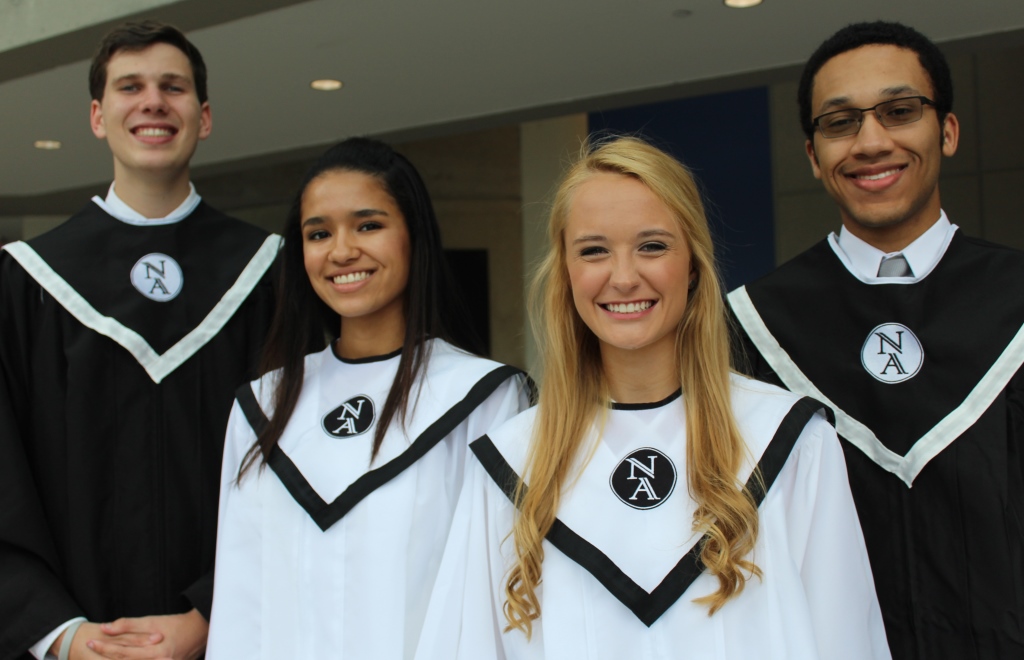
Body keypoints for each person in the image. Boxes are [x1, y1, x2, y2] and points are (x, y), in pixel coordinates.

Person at [414, 136, 889, 659]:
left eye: (652, 246)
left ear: (692, 266)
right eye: (594, 250)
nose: (623, 277)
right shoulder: (511, 463)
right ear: (566, 273)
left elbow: (846, 639)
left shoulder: (789, 440)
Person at [728, 21, 1024, 659]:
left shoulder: (1016, 300)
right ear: (812, 155)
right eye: (839, 123)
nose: (870, 142)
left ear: (946, 131)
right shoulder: (751, 328)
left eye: (900, 112)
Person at [0, 21, 280, 660]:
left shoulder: (266, 274)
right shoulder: (29, 281)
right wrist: (59, 634)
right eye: (131, 87)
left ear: (202, 117)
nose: (153, 101)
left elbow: (295, 462)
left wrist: (213, 612)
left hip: (234, 636)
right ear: (99, 117)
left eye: (172, 87)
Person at [205, 137, 530, 659]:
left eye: (368, 225)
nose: (340, 251)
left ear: (413, 237)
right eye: (318, 233)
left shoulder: (484, 399)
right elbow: (242, 603)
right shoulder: (262, 406)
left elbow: (498, 601)